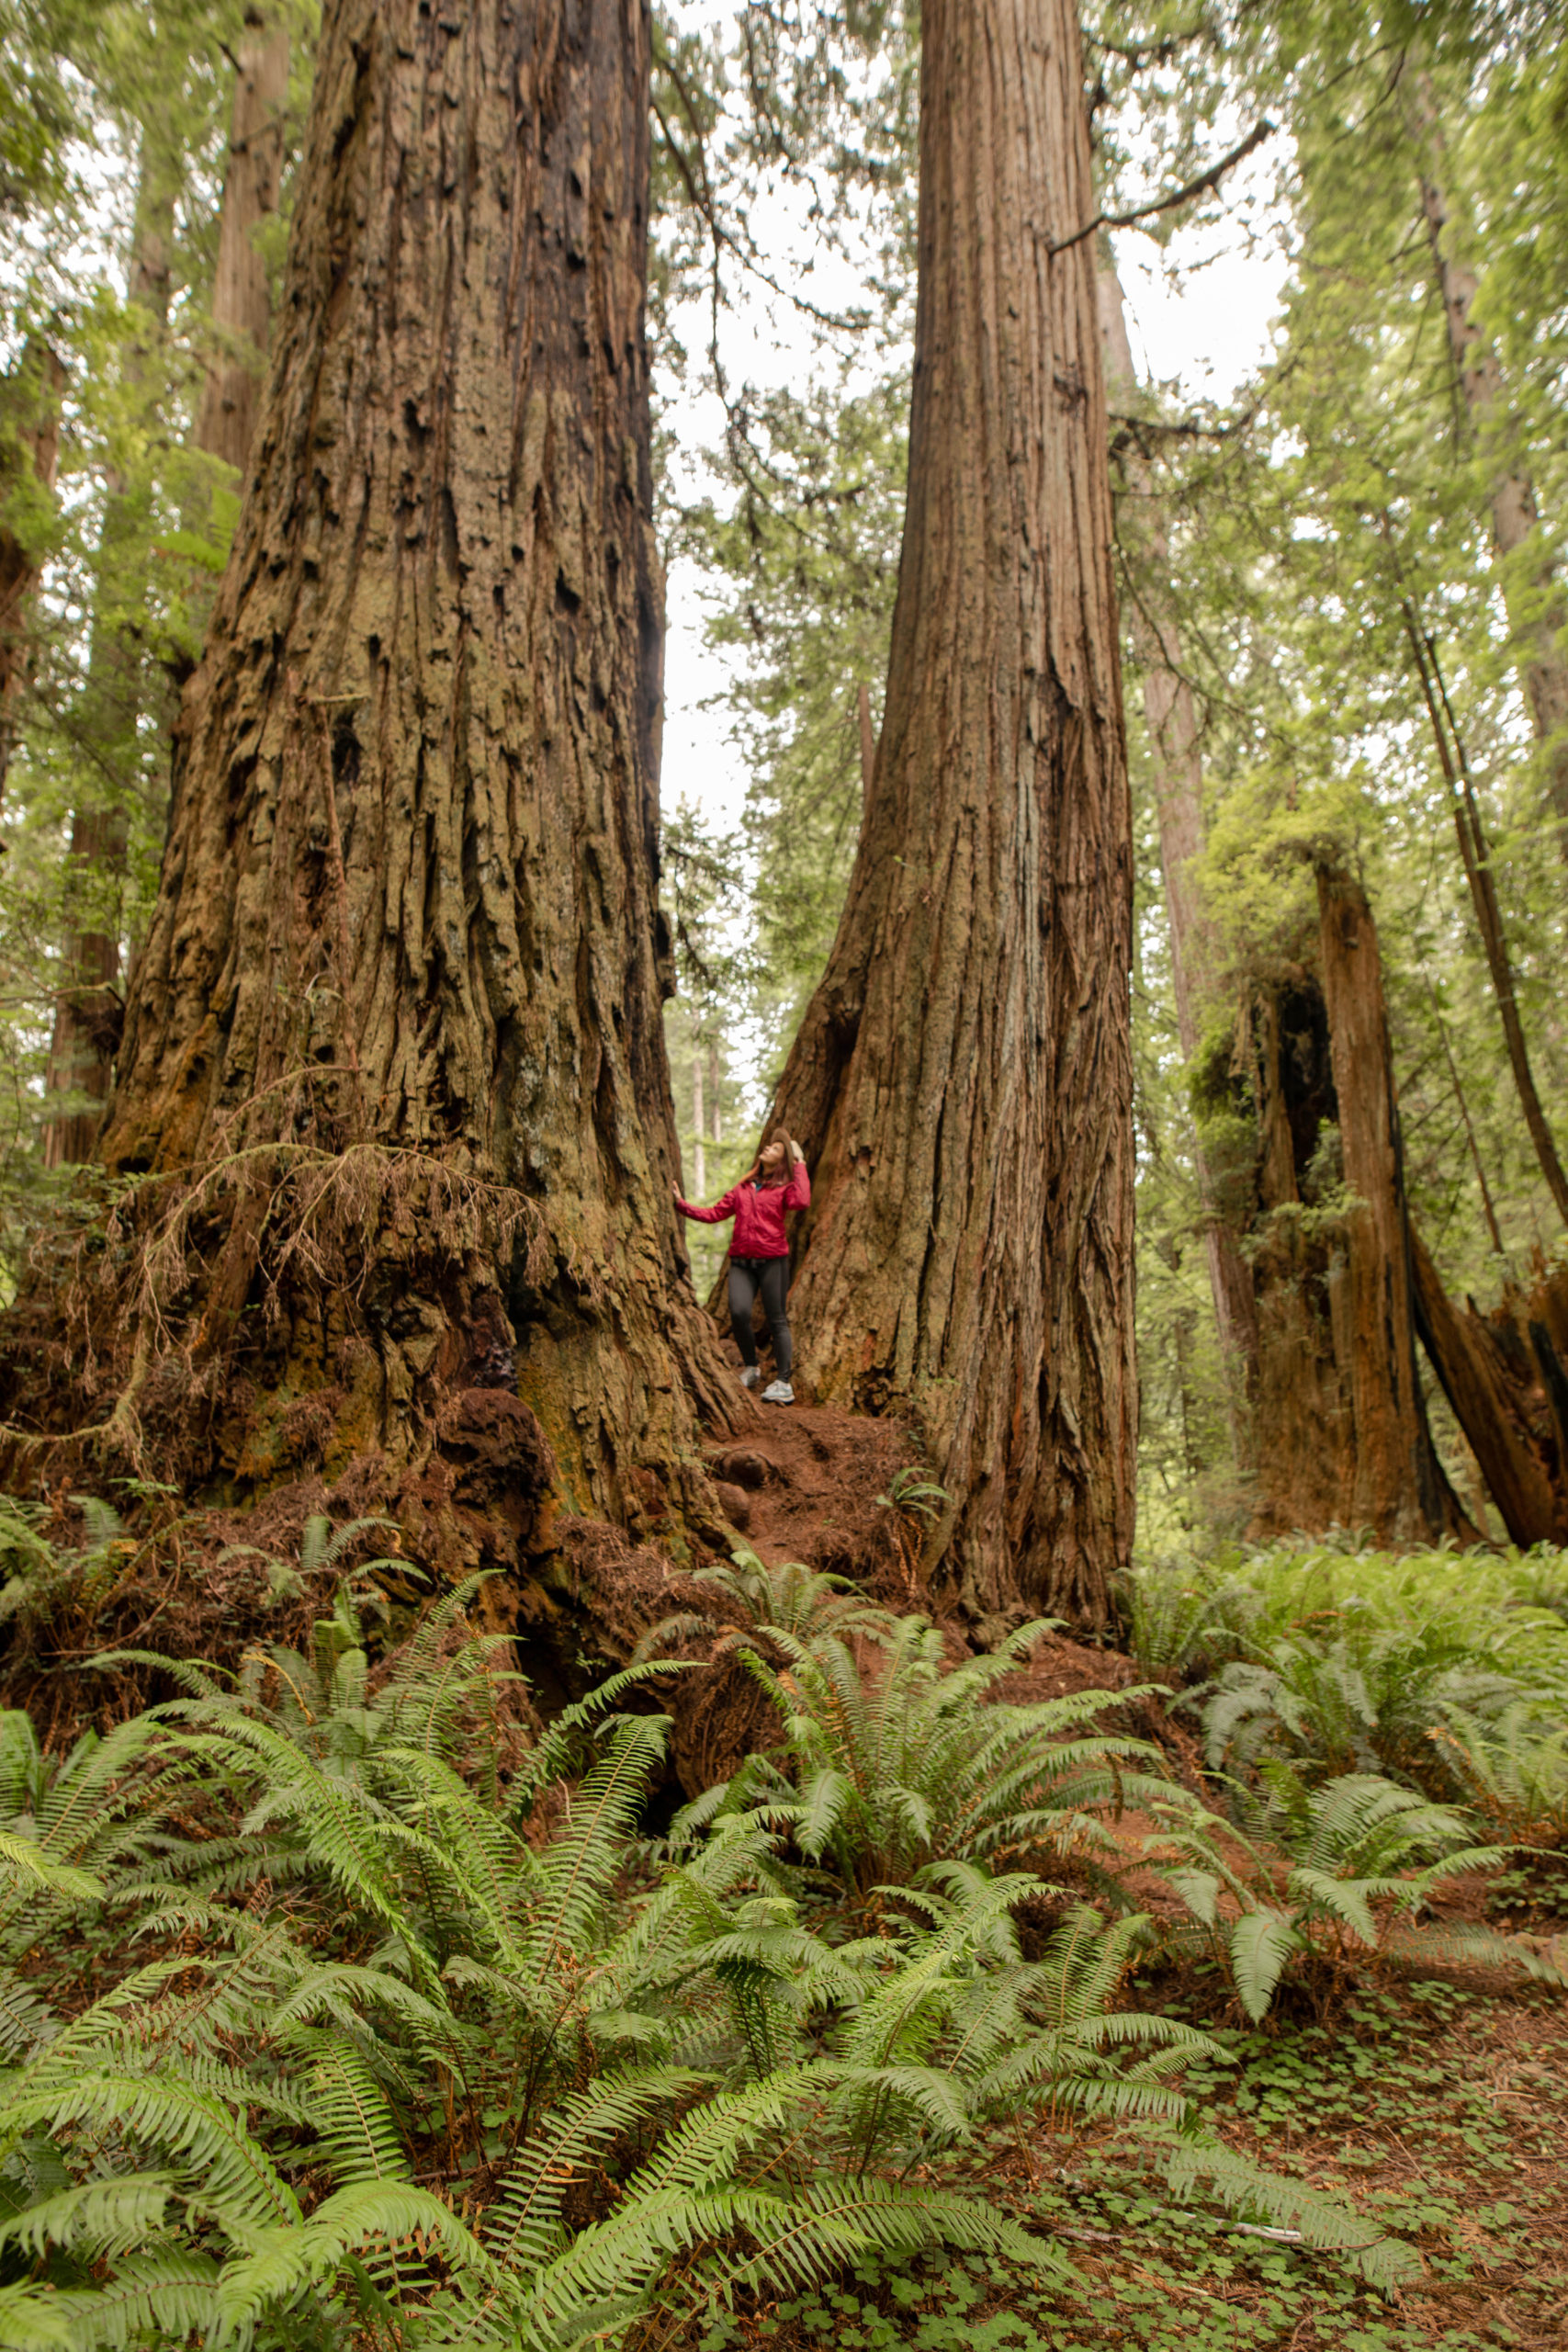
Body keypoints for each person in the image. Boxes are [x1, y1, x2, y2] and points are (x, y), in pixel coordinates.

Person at [673, 1130, 809, 1405]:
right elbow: (714, 1214)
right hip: (741, 1263)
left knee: (777, 1319)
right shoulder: (744, 1188)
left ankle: (783, 1382)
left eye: (775, 1149)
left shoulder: (784, 1189)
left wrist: (800, 1162)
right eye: (769, 1145)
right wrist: (681, 1205)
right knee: (738, 1312)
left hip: (773, 1261)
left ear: (783, 1161)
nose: (768, 1148)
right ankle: (751, 1367)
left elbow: (803, 1200)